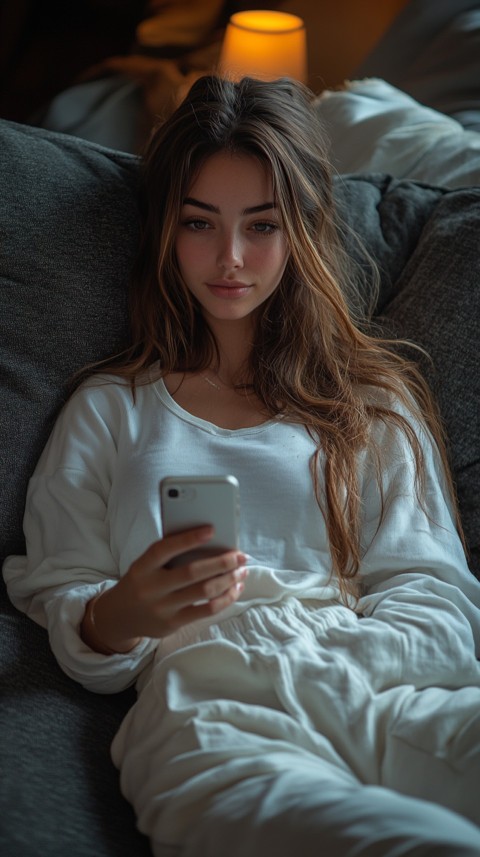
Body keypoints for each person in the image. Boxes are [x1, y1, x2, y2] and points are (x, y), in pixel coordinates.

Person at [3, 75, 480, 857]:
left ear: (301, 231)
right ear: (165, 231)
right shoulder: (111, 407)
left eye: (261, 226)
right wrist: (126, 612)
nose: (229, 258)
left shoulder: (370, 402)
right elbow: (62, 587)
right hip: (212, 704)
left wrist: (336, 655)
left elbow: (434, 593)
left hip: (389, 688)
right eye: (200, 223)